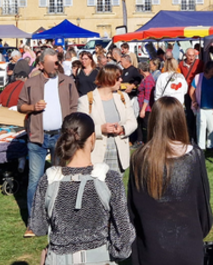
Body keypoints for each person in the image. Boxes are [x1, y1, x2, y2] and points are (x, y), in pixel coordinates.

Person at [29, 112, 134, 264]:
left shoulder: (49, 180)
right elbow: (123, 233)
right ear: (92, 138)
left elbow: (38, 227)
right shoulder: (110, 179)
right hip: (99, 258)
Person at [128, 97, 212, 265]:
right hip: (187, 243)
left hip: (152, 245)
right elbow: (203, 204)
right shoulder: (194, 156)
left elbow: (132, 208)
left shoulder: (140, 157)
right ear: (180, 120)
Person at [19, 49, 80, 238]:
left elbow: (75, 106)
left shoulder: (67, 82)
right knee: (35, 181)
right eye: (52, 62)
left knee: (61, 178)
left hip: (60, 137)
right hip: (37, 137)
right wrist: (33, 107)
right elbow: (21, 106)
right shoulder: (31, 83)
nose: (56, 65)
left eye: (57, 62)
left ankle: (61, 219)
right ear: (42, 64)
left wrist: (70, 131)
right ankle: (34, 223)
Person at [78, 65, 137, 173]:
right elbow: (81, 129)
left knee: (116, 188)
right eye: (118, 78)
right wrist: (100, 129)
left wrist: (122, 129)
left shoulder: (123, 97)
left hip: (118, 154)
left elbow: (133, 122)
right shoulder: (86, 100)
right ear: (108, 79)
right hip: (96, 153)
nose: (121, 80)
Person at [190, 60, 213, 149]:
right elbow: (191, 91)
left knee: (212, 127)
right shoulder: (198, 77)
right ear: (208, 69)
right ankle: (201, 147)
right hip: (201, 108)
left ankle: (211, 146)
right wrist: (194, 101)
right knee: (201, 127)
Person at [136, 60, 156, 144]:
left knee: (147, 126)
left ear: (141, 70)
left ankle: (149, 142)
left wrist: (143, 109)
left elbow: (147, 96)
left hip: (147, 108)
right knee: (140, 125)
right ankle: (140, 141)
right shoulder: (144, 79)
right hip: (142, 106)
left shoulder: (148, 80)